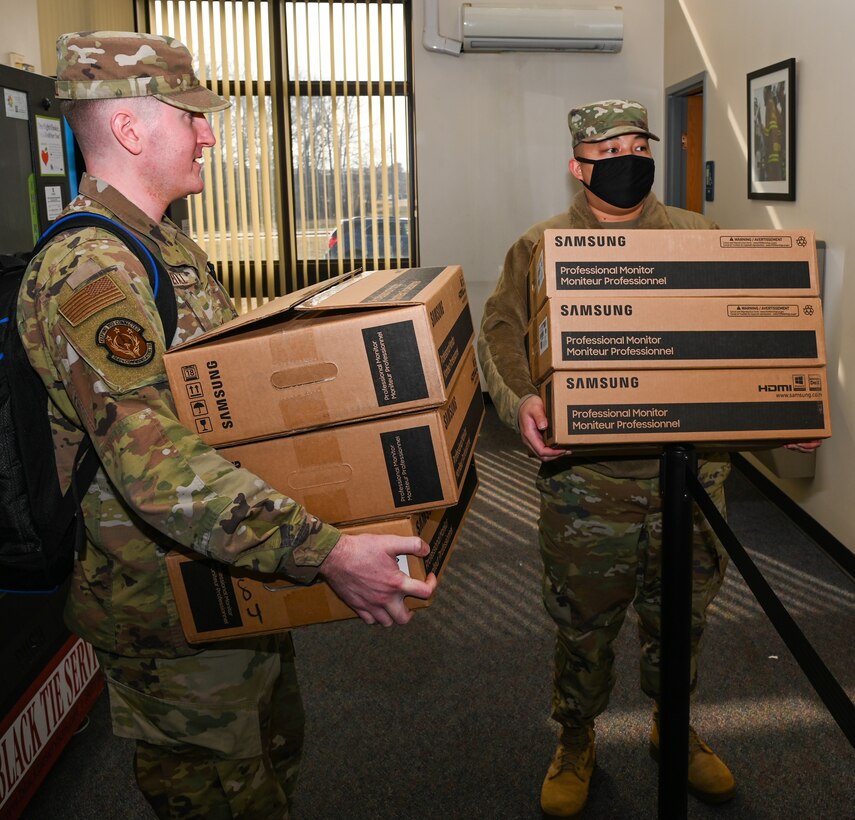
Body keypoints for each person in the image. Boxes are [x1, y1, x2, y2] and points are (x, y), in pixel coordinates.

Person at [17, 31, 436, 818]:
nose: (210, 132)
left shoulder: (161, 242)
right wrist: (327, 551)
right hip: (163, 612)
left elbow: (220, 396)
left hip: (227, 570)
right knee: (220, 796)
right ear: (132, 130)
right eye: (192, 116)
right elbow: (157, 466)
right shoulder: (89, 269)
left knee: (272, 766)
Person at [478, 99, 820, 817]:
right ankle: (575, 738)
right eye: (608, 151)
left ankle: (675, 725)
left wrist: (781, 414)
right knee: (583, 627)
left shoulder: (700, 238)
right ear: (578, 167)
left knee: (681, 620)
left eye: (637, 144)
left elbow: (734, 348)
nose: (627, 160)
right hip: (587, 487)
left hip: (689, 481)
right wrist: (521, 404)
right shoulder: (538, 245)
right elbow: (500, 335)